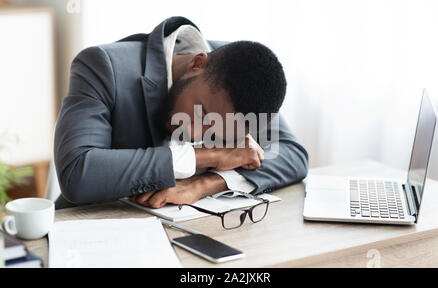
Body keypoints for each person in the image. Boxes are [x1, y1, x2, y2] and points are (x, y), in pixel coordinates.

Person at [54, 16, 308, 209]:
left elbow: (292, 155)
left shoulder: (249, 80)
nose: (194, 132)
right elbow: (77, 173)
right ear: (197, 64)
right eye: (201, 114)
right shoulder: (102, 66)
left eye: (218, 135)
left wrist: (205, 184)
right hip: (92, 229)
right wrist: (209, 155)